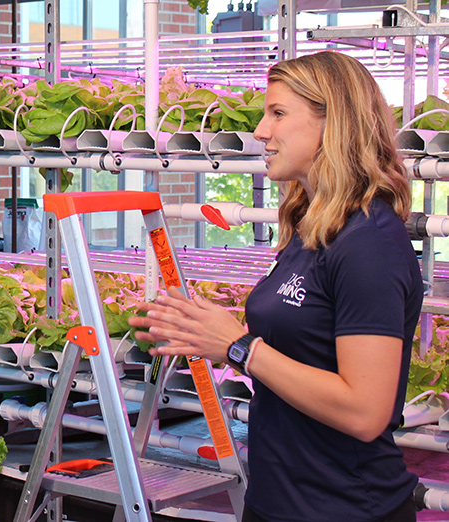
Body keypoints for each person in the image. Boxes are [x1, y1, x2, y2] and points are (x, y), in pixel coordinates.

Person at [129, 51, 423, 522]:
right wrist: (201, 331)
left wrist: (240, 347)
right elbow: (298, 354)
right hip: (277, 502)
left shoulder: (369, 243)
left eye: (278, 113)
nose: (261, 131)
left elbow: (365, 413)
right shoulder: (312, 228)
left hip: (346, 509)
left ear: (335, 124)